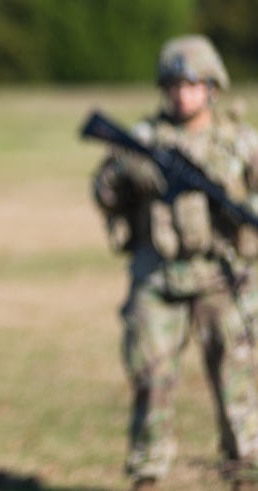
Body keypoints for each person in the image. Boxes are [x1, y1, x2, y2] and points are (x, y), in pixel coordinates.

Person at [92, 35, 258, 491]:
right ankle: (147, 474)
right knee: (152, 379)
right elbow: (104, 192)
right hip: (159, 278)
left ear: (213, 87)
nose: (182, 94)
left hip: (224, 278)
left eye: (193, 84)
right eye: (173, 84)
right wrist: (128, 174)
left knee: (236, 385)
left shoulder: (240, 141)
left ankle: (245, 473)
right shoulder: (143, 140)